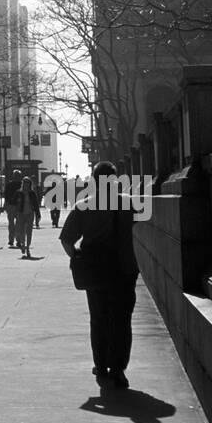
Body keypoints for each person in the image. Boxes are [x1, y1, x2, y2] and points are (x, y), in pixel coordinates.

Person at [60, 160, 139, 389]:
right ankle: (118, 369)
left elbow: (66, 240)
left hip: (95, 271)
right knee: (122, 321)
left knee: (99, 318)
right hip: (124, 270)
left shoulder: (83, 206)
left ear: (94, 181)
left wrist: (77, 257)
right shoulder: (127, 203)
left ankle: (101, 365)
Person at [17, 176, 40, 258]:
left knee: (29, 231)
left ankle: (27, 248)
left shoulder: (32, 193)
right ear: (23, 184)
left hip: (30, 213)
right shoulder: (19, 193)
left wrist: (38, 214)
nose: (26, 185)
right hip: (21, 213)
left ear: (30, 184)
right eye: (25, 183)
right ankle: (23, 244)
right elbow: (14, 201)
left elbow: (36, 204)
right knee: (21, 231)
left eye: (28, 183)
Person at [3, 168, 23, 248]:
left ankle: (12, 239)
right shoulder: (21, 184)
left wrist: (5, 205)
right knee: (17, 224)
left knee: (12, 224)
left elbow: (6, 196)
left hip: (12, 206)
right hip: (16, 205)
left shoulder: (9, 185)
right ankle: (17, 240)